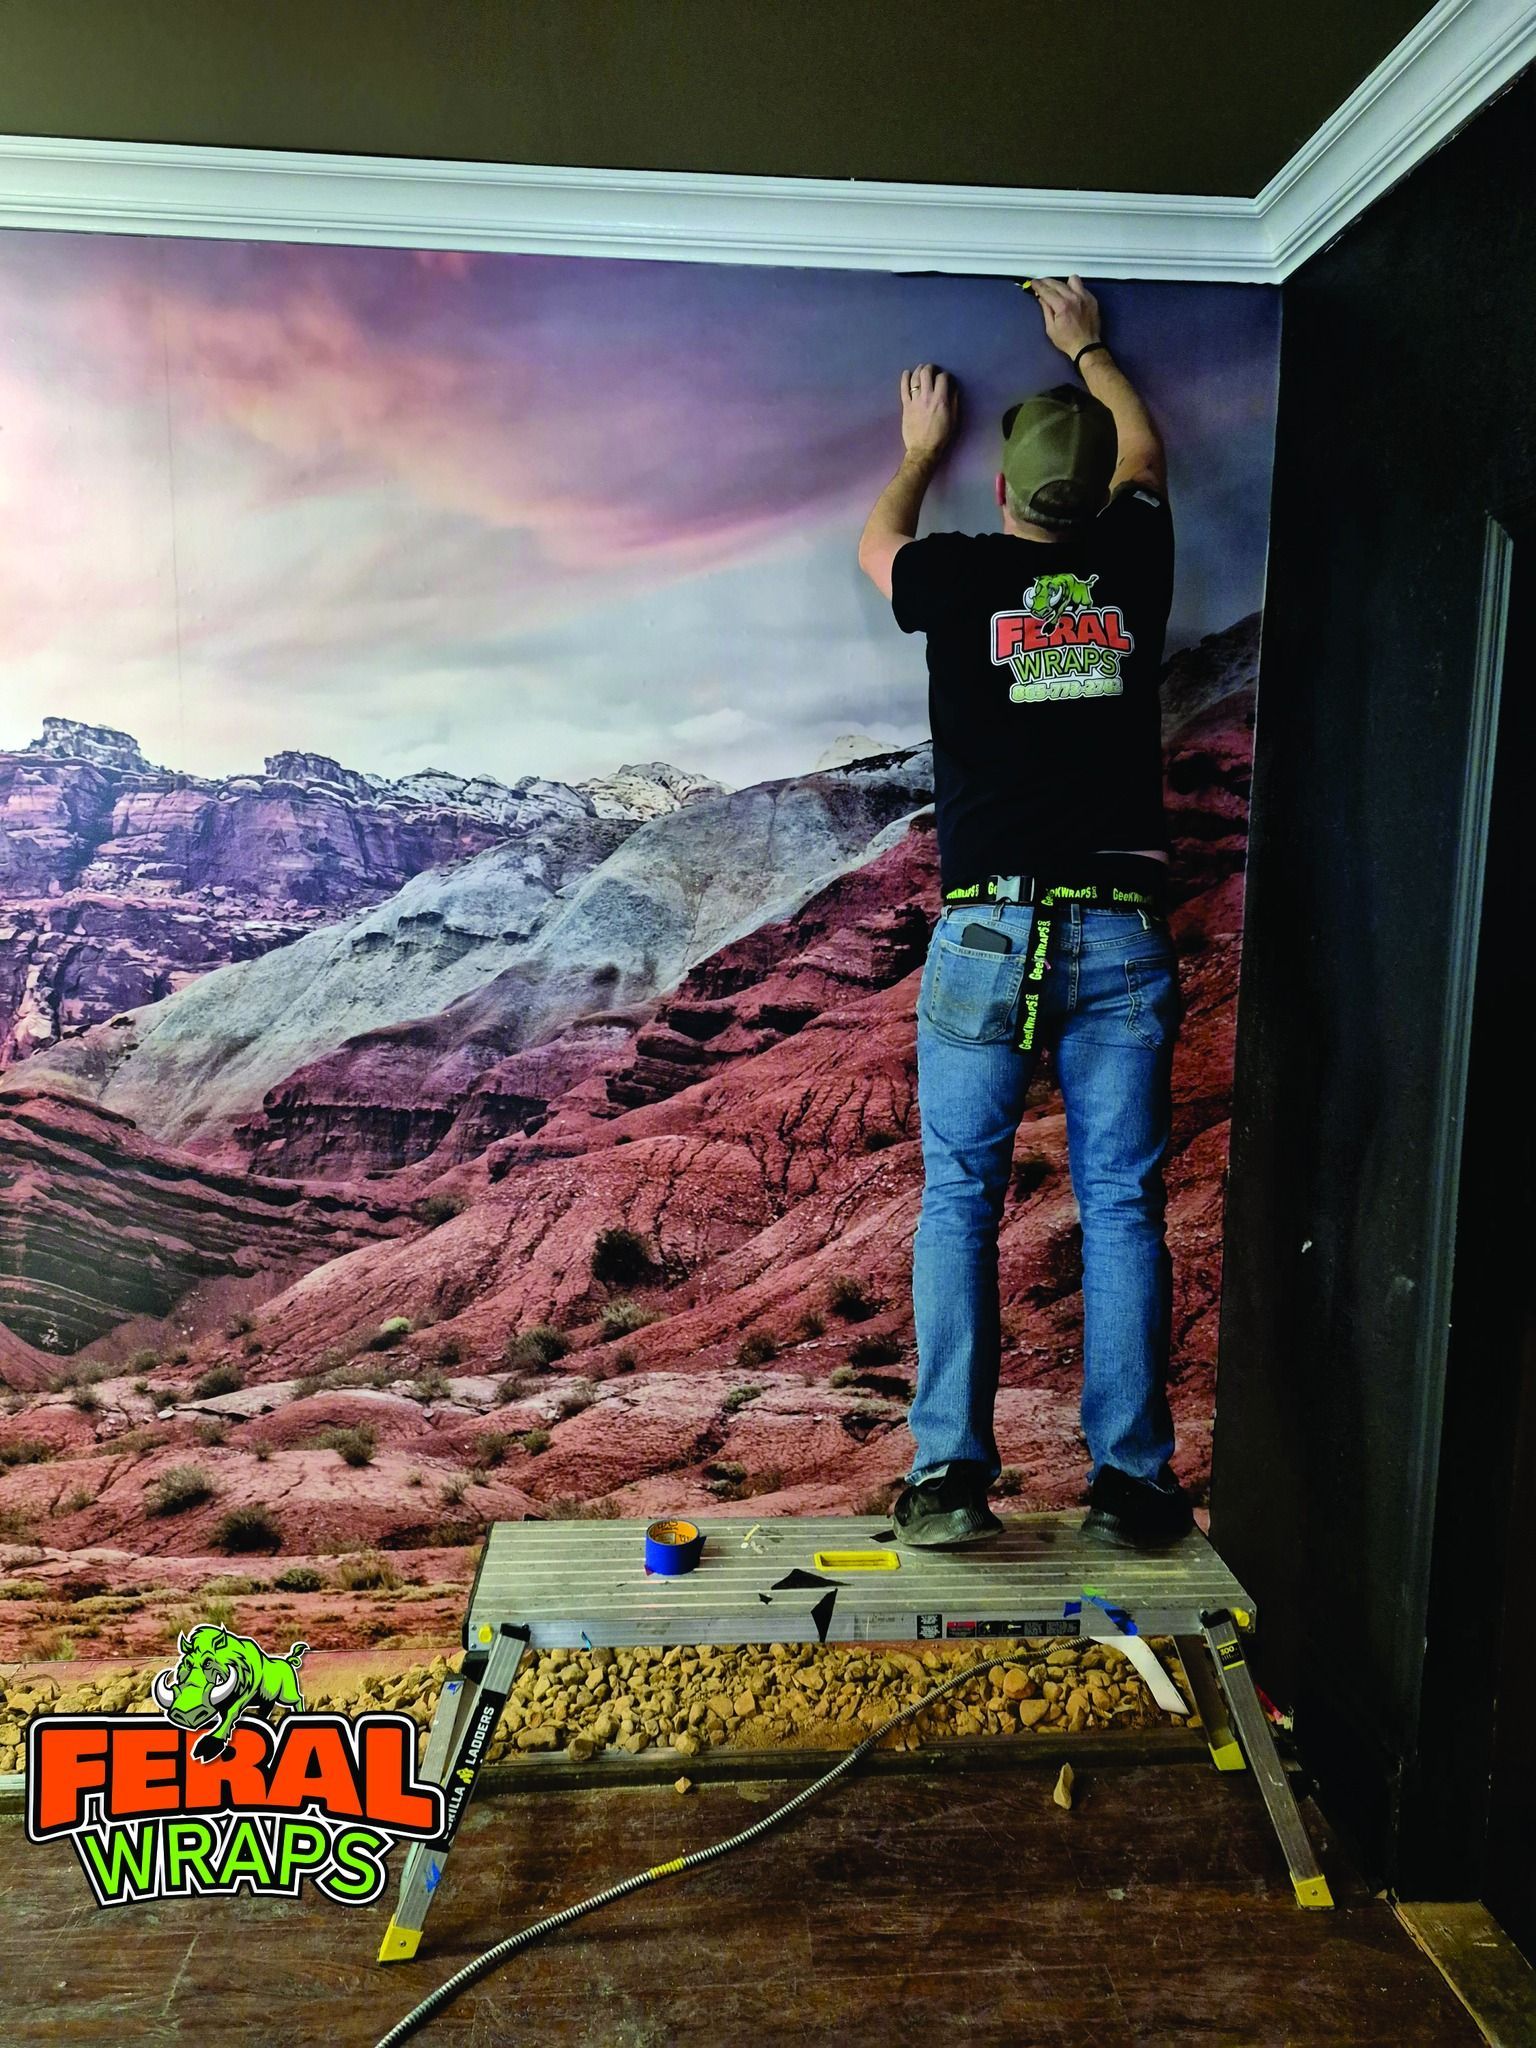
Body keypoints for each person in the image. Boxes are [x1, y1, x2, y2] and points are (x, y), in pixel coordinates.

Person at [857, 274, 1195, 1551]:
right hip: (1119, 928)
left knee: (959, 1196)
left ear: (1004, 495)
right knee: (1120, 1203)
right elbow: (1150, 449)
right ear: (1102, 490)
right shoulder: (1138, 559)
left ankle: (949, 1475)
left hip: (989, 930)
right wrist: (1090, 347)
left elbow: (873, 545)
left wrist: (916, 452)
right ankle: (1132, 1483)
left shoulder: (955, 576)